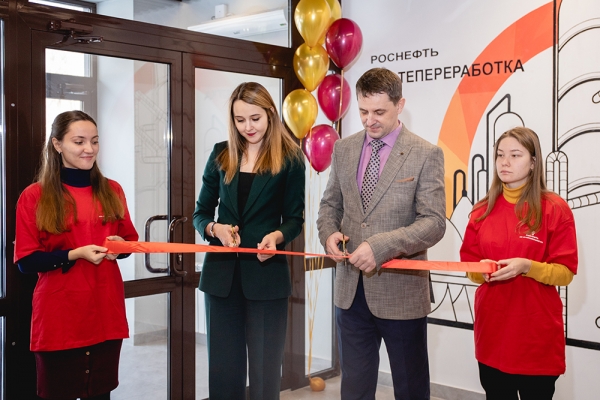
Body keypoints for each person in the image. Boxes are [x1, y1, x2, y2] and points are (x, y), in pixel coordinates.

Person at [317, 67, 446, 399]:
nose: (369, 120)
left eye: (378, 112)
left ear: (400, 105)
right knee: (354, 388)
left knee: (410, 388)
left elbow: (434, 223)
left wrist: (382, 246)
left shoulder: (425, 154)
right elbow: (330, 205)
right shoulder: (344, 149)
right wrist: (328, 233)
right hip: (350, 293)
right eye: (363, 111)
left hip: (401, 293)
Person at [14, 110, 139, 400]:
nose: (89, 149)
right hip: (60, 317)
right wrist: (74, 254)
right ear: (57, 144)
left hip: (105, 312)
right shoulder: (34, 196)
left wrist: (119, 247)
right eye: (79, 141)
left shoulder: (112, 190)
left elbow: (130, 243)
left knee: (100, 393)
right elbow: (26, 261)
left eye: (94, 141)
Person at [192, 82, 305, 400]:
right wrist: (215, 229)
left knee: (265, 376)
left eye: (255, 118)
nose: (248, 127)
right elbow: (200, 214)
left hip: (266, 278)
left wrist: (277, 237)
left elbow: (294, 219)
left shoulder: (291, 158)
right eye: (240, 120)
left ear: (270, 114)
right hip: (220, 279)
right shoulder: (221, 153)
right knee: (223, 374)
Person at [460, 127, 577, 400]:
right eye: (500, 155)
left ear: (533, 162)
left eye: (515, 155)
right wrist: (482, 270)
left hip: (534, 333)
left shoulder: (554, 208)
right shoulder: (481, 210)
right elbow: (469, 265)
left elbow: (565, 273)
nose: (505, 162)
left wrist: (528, 266)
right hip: (492, 331)